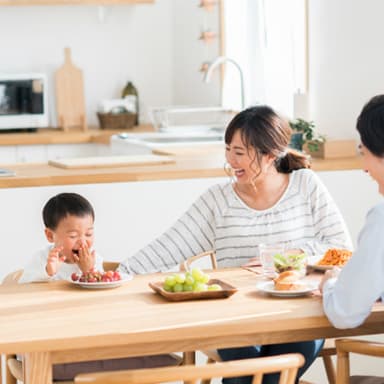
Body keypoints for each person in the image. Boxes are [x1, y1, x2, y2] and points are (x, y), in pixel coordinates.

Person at [119, 105, 352, 384]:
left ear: (269, 154)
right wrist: (116, 273)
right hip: (235, 319)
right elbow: (167, 247)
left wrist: (291, 254)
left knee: (261, 377)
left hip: (298, 315)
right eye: (228, 149)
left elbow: (342, 248)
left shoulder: (306, 185)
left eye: (239, 152)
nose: (230, 160)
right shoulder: (217, 200)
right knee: (255, 376)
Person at [18, 192, 180, 381]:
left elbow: (101, 299)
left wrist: (89, 271)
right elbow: (24, 292)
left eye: (89, 234)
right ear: (49, 235)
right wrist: (48, 272)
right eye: (73, 235)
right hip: (49, 337)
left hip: (84, 332)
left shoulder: (95, 259)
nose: (83, 241)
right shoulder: (42, 260)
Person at [320, 94, 384, 330]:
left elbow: (344, 313)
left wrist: (330, 283)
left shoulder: (381, 218)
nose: (363, 167)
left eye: (364, 152)